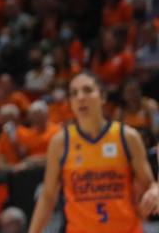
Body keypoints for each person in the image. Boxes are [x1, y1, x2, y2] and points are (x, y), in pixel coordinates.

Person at [28, 72, 159, 233]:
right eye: (74, 93)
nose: (80, 97)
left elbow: (149, 184)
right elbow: (48, 196)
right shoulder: (60, 142)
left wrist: (155, 190)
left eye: (87, 90)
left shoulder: (127, 136)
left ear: (103, 97)